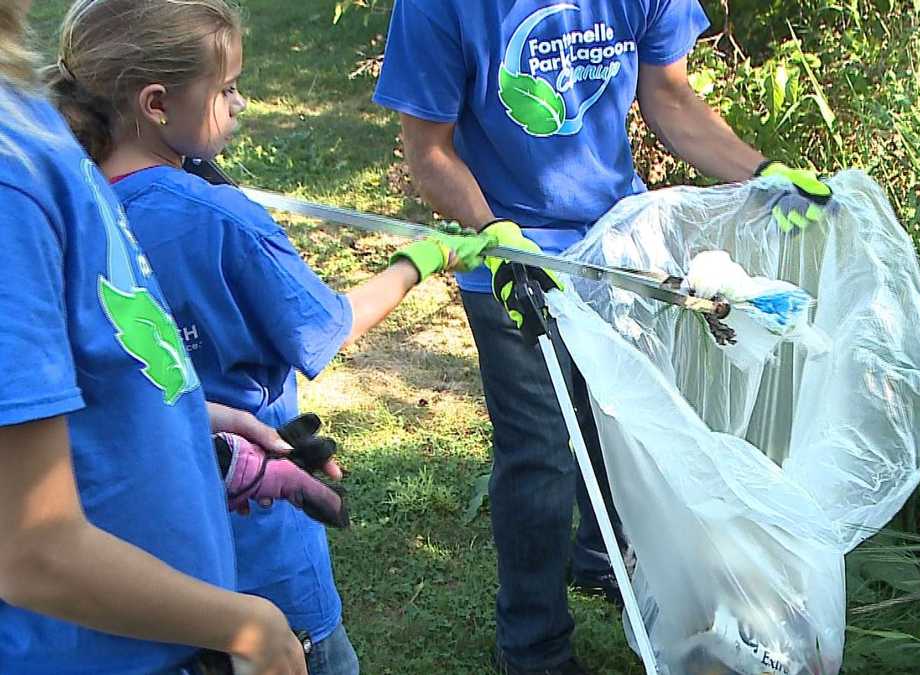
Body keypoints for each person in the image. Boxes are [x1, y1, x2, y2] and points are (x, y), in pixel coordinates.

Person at [372, 1, 833, 672]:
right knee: (538, 453)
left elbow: (669, 98)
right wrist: (496, 236)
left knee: (625, 417)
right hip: (511, 251)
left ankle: (602, 555)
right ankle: (532, 644)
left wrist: (758, 173)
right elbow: (429, 152)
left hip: (619, 240)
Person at [46, 1, 496, 673]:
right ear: (157, 103)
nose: (242, 102)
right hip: (257, 546)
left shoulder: (60, 204)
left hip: (137, 566)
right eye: (226, 90)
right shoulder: (221, 218)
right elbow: (325, 326)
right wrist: (425, 259)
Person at [0, 1, 310, 673]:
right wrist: (248, 623)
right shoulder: (9, 172)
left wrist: (176, 417)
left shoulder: (25, 126)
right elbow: (31, 548)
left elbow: (51, 388)